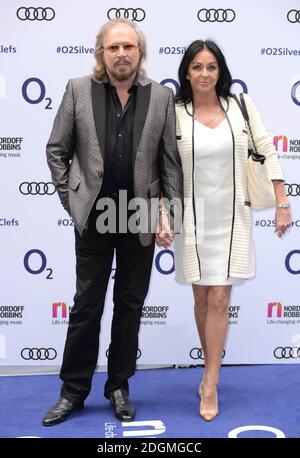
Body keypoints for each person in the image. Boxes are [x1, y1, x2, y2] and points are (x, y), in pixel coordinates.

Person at [43, 18, 182, 426]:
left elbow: (169, 163)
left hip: (139, 215)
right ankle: (73, 391)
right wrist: (75, 202)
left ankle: (118, 385)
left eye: (129, 47)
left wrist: (167, 213)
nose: (122, 54)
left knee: (129, 306)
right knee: (87, 305)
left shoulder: (160, 97)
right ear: (100, 52)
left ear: (141, 52)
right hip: (94, 217)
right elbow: (57, 150)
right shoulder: (77, 91)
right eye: (113, 47)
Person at [174, 40, 291, 421]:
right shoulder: (174, 112)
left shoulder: (241, 105)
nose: (204, 74)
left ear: (220, 71)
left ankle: (211, 380)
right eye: (197, 67)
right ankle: (210, 365)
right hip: (191, 217)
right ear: (186, 72)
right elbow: (161, 166)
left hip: (233, 214)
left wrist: (283, 202)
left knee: (221, 299)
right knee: (202, 299)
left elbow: (266, 149)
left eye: (211, 67)